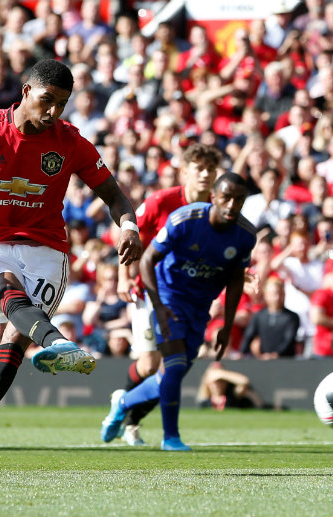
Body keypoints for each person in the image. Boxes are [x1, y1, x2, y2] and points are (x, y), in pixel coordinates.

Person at [0, 59, 142, 473]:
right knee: (7, 289)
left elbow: (114, 194)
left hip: (48, 251)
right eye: (47, 100)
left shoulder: (70, 142)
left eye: (62, 104)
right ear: (25, 92)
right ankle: (58, 343)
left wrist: (129, 224)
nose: (53, 112)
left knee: (10, 351)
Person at [100, 173, 256, 451]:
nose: (232, 205)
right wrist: (158, 307)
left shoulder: (245, 235)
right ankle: (170, 437)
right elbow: (148, 260)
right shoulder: (185, 219)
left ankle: (123, 401)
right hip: (168, 295)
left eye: (239, 200)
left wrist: (227, 325)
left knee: (174, 371)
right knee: (172, 366)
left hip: (199, 306)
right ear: (213, 197)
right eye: (226, 198)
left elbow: (234, 281)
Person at [108, 143, 221, 446]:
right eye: (199, 168)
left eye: (210, 169)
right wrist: (123, 276)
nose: (205, 174)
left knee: (170, 368)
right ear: (185, 171)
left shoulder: (217, 208)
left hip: (188, 299)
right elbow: (130, 234)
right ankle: (126, 406)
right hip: (150, 291)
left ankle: (129, 416)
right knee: (150, 366)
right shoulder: (162, 201)